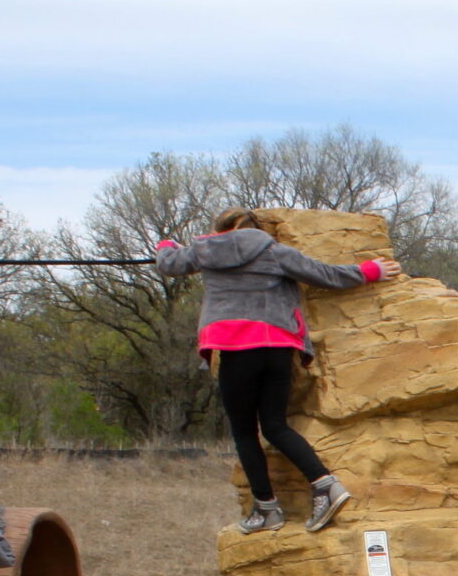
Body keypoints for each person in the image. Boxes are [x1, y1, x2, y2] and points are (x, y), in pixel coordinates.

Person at [155, 210, 400, 533]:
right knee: (274, 425)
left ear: (221, 230)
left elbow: (169, 264)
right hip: (277, 347)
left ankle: (266, 509)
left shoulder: (205, 250)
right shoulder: (274, 251)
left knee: (244, 431)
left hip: (235, 350)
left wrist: (165, 244)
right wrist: (369, 271)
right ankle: (325, 485)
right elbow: (324, 274)